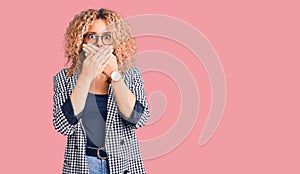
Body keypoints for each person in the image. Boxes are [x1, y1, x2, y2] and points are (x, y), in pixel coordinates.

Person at [52, 8, 150, 174]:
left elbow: (137, 120)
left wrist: (114, 75)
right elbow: (63, 126)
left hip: (124, 165)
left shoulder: (131, 75)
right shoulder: (64, 78)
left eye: (106, 37)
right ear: (80, 41)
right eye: (91, 36)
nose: (99, 44)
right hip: (82, 165)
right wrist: (85, 76)